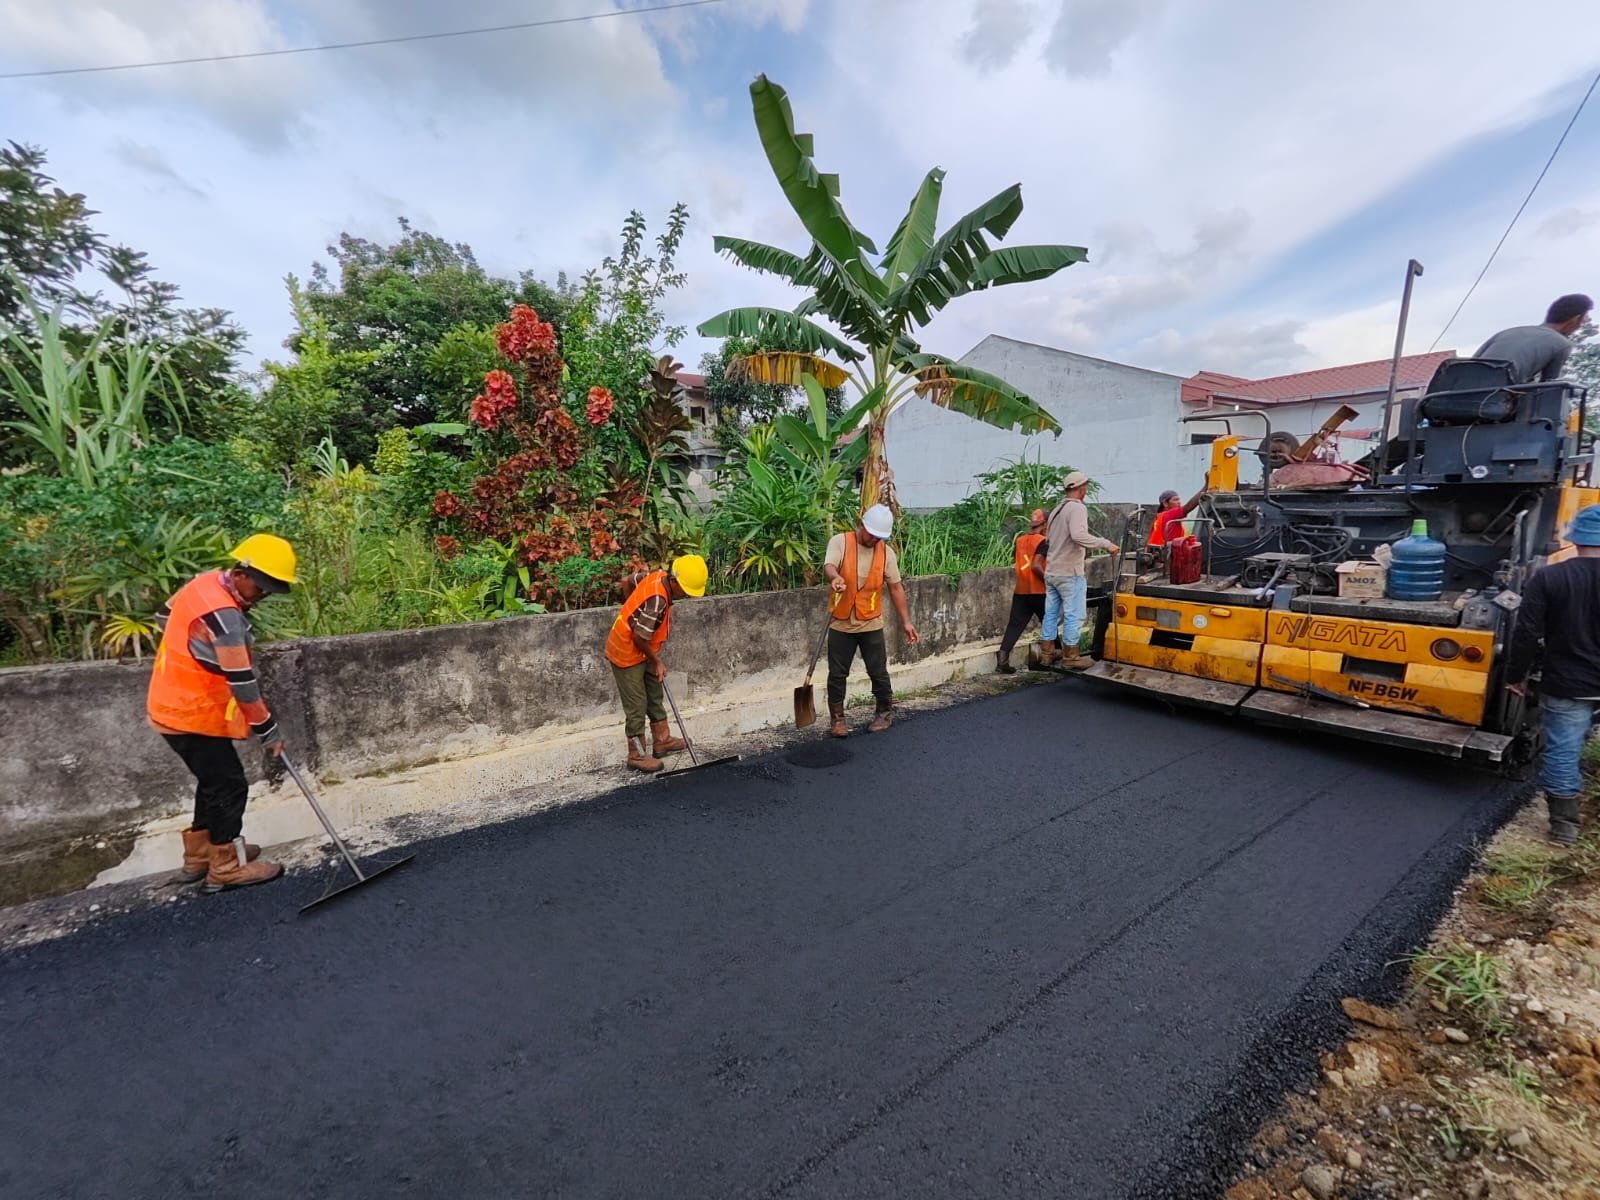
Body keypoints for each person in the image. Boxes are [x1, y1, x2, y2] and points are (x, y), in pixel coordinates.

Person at [147, 534, 295, 893]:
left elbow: (163, 617)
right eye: (260, 586)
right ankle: (225, 867)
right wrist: (269, 732)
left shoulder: (203, 583)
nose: (262, 595)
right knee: (230, 785)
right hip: (190, 713)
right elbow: (243, 682)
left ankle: (200, 856)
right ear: (241, 571)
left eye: (270, 589)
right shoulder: (226, 618)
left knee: (213, 781)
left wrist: (196, 650)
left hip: (171, 706)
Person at [1505, 504, 1600, 846]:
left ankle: (1564, 828)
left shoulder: (1550, 577)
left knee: (1563, 751)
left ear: (1575, 539)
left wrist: (1516, 676)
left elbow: (1527, 633)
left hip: (1568, 682)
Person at [604, 554, 708, 774]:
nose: (686, 595)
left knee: (654, 692)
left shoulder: (656, 575)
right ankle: (637, 755)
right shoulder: (658, 600)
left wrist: (633, 610)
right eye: (685, 590)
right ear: (675, 582)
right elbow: (638, 637)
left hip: (643, 649)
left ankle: (662, 740)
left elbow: (626, 581)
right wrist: (657, 661)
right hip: (627, 651)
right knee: (637, 705)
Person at [823, 504, 920, 737]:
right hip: (841, 621)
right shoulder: (840, 542)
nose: (874, 540)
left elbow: (896, 588)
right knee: (837, 673)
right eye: (872, 535)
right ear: (862, 525)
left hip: (871, 622)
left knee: (878, 671)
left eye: (879, 537)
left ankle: (884, 713)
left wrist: (906, 622)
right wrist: (835, 578)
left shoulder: (886, 553)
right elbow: (829, 566)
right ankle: (837, 720)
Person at [1036, 472, 1117, 671]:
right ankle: (1071, 656)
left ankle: (1046, 652)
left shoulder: (1057, 509)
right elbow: (1079, 535)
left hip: (1052, 571)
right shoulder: (1077, 508)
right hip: (1069, 572)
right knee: (1075, 614)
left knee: (1051, 613)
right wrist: (1106, 544)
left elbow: (1049, 540)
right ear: (1082, 488)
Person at [1474, 294, 1592, 384]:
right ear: (1575, 319)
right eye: (1584, 320)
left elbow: (1471, 362)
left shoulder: (1509, 332)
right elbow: (1549, 386)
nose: (1581, 325)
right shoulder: (1561, 344)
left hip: (1460, 394)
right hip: (1497, 402)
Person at [997, 508, 1048, 674]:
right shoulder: (1044, 541)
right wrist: (1050, 580)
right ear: (1046, 524)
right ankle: (1053, 656)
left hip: (1021, 589)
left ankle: (1002, 659)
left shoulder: (1019, 540)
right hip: (1040, 590)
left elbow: (1019, 561)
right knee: (1049, 624)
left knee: (1015, 625)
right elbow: (1036, 566)